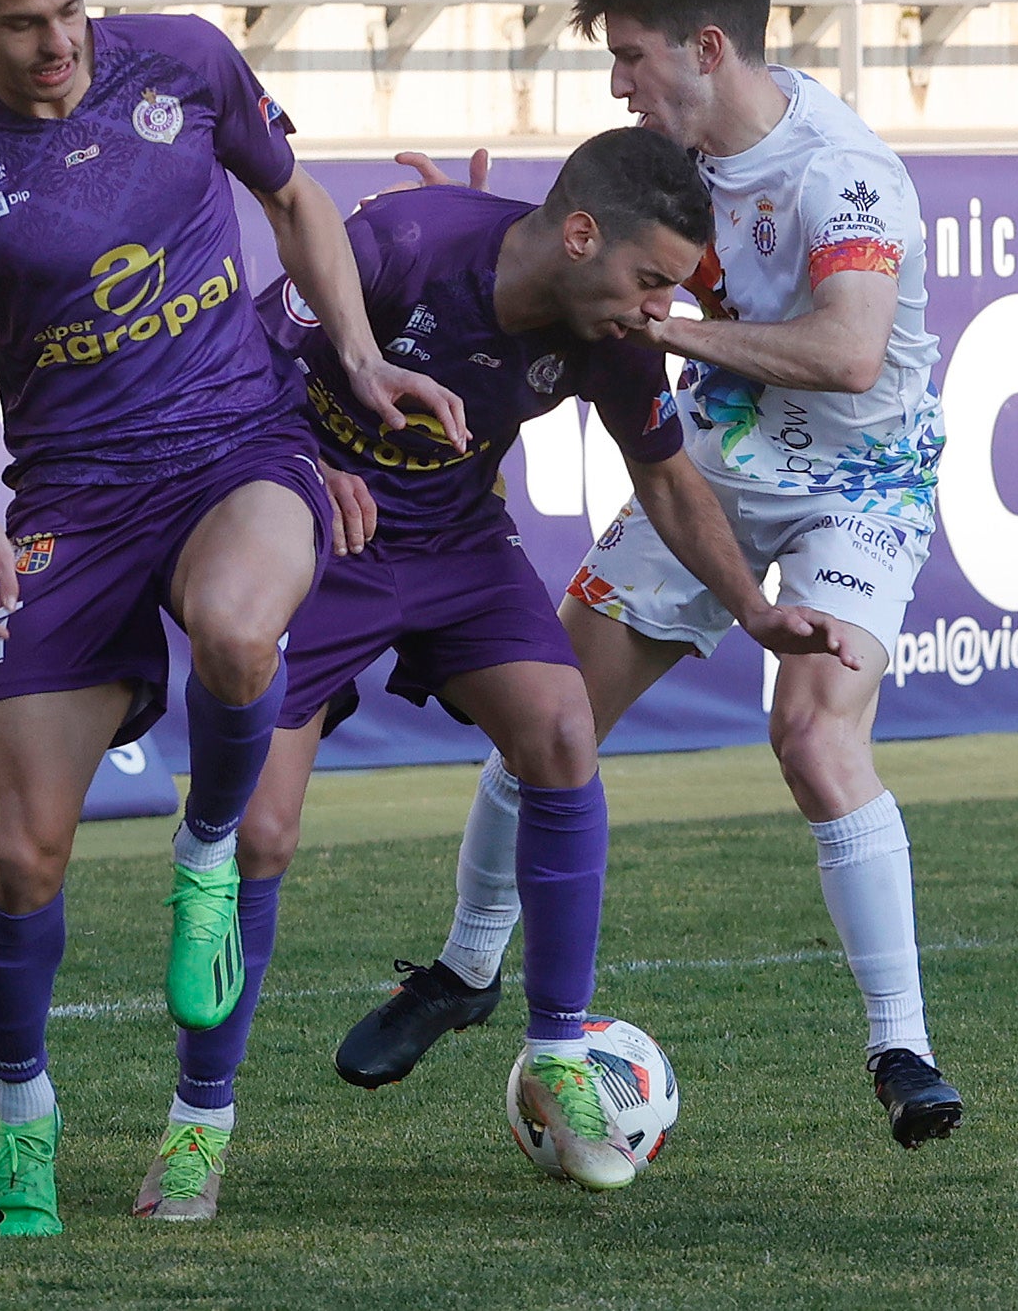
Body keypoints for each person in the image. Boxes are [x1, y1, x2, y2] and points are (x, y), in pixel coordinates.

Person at [132, 125, 857, 1220]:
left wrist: (755, 610)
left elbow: (664, 479)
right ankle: (198, 1126)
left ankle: (559, 1046)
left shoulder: (613, 332)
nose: (660, 308)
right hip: (318, 535)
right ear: (577, 235)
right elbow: (232, 372)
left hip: (459, 546)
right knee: (262, 834)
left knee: (563, 728)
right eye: (651, 278)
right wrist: (310, 464)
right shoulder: (400, 247)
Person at [0, 0, 465, 1237]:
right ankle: (23, 1127)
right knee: (24, 857)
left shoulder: (187, 62)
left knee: (238, 632)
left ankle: (204, 879)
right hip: (70, 504)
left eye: (74, 7)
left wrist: (362, 356)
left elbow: (296, 198)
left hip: (236, 451)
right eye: (23, 22)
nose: (59, 43)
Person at [336, 0, 963, 1154]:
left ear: (708, 47)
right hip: (717, 469)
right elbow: (584, 241)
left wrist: (663, 333)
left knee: (810, 727)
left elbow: (845, 353)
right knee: (550, 709)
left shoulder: (839, 172)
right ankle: (466, 969)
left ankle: (904, 1043)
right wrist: (455, 230)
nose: (617, 82)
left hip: (863, 478)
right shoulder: (662, 165)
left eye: (631, 56)